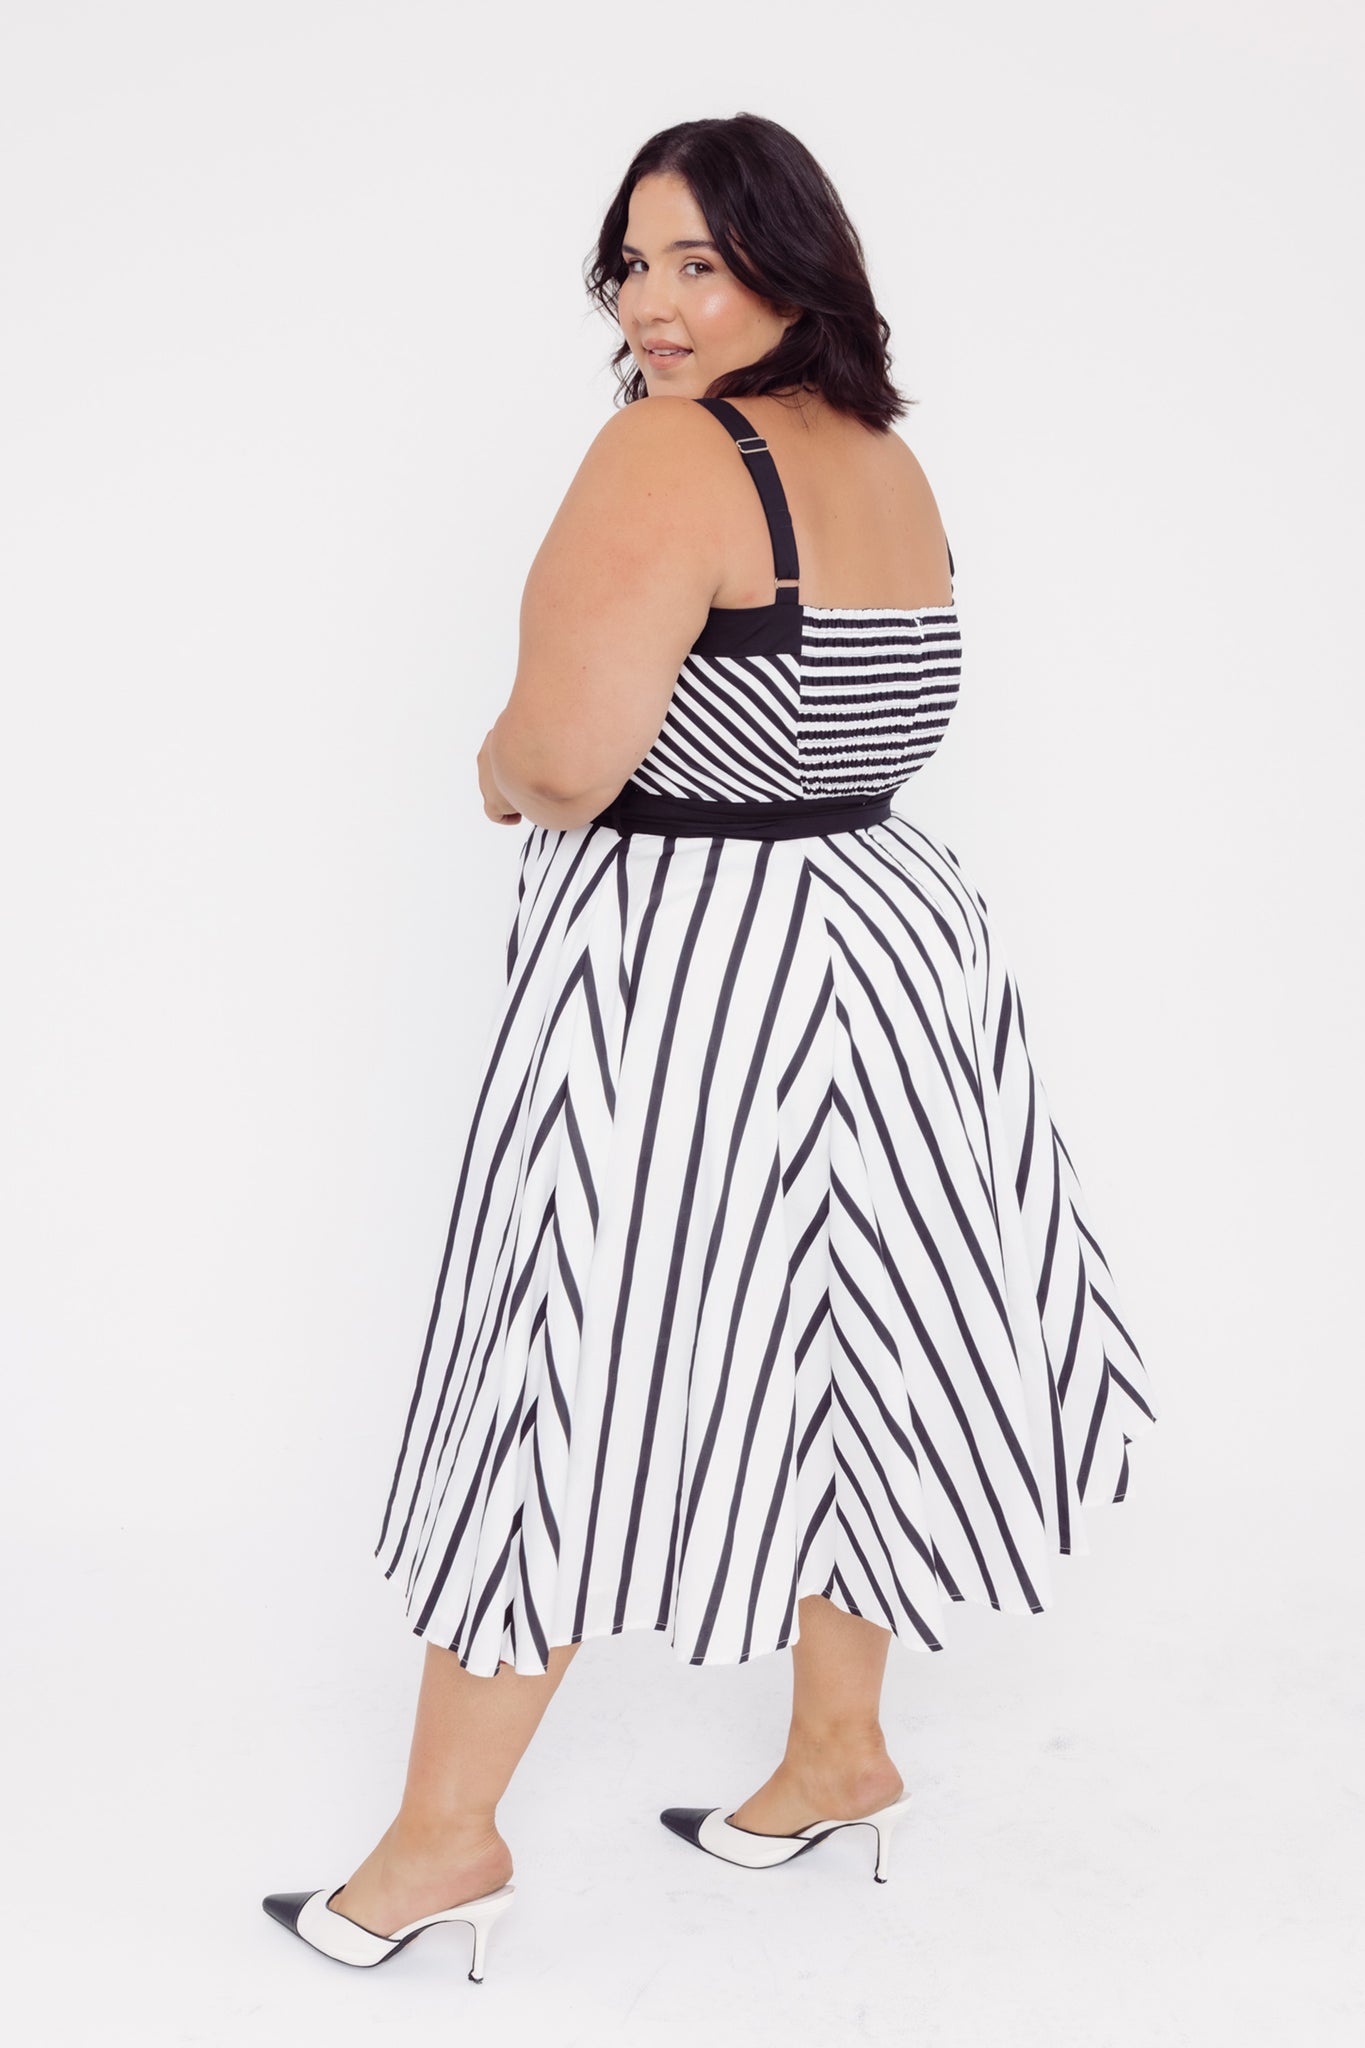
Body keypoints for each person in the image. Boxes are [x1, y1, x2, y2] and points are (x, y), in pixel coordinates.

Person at [263, 112, 1157, 1978]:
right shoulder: (882, 459)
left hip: (684, 979)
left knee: (557, 1368)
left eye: (700, 262)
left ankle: (440, 1847)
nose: (654, 306)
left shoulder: (666, 455)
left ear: (789, 265)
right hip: (887, 953)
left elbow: (569, 756)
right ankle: (836, 1752)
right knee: (864, 1351)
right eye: (634, 261)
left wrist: (493, 774)